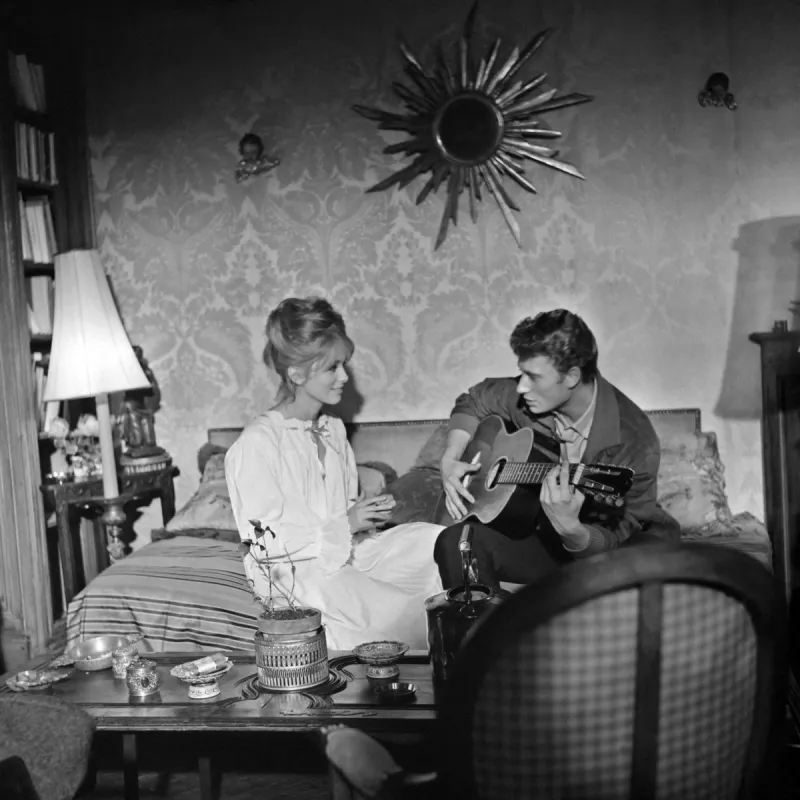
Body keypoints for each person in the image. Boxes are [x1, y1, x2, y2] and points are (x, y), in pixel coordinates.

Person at [225, 297, 444, 650]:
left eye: (344, 365)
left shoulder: (333, 429)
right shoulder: (256, 444)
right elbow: (266, 544)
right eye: (332, 368)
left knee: (434, 543)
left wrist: (365, 515)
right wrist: (347, 522)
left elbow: (343, 512)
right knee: (395, 611)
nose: (344, 377)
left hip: (345, 552)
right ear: (297, 374)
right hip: (297, 573)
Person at [435, 309, 680, 589]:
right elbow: (473, 400)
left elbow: (615, 537)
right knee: (458, 542)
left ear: (572, 377)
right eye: (522, 374)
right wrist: (451, 456)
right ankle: (485, 619)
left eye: (533, 377)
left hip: (605, 549)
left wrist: (571, 530)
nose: (522, 387)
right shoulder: (528, 399)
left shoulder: (636, 441)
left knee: (629, 567)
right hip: (540, 532)